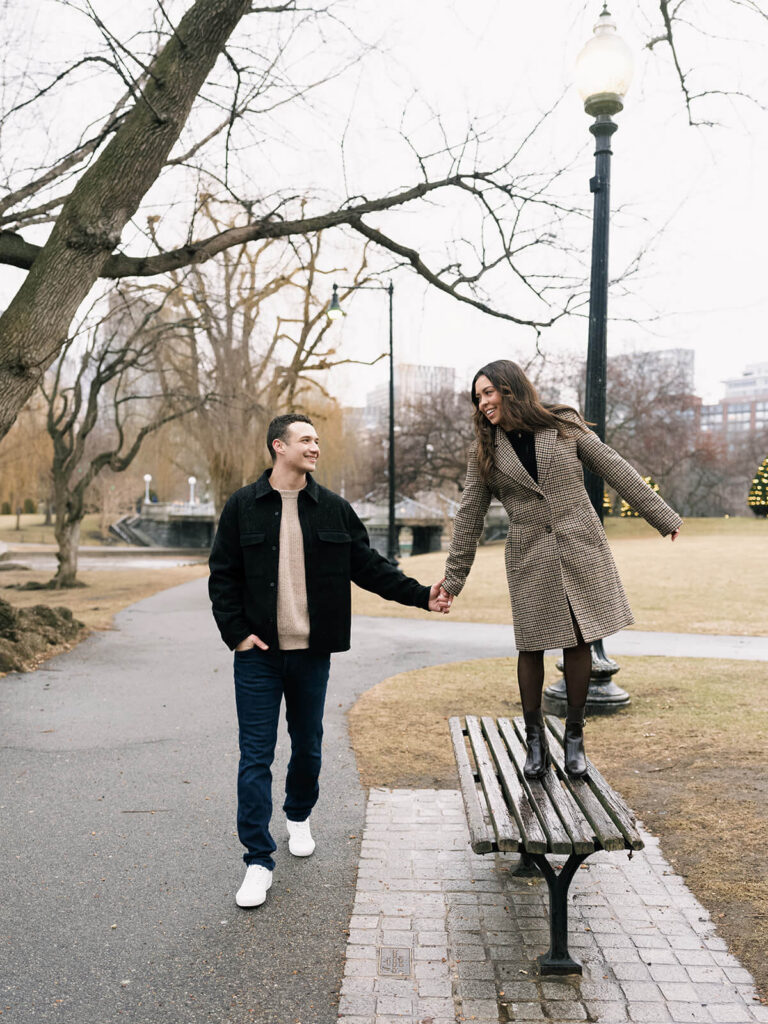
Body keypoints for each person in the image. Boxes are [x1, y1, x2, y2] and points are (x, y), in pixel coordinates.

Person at [208, 413, 448, 908]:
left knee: (308, 745)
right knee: (255, 755)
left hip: (312, 655)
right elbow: (222, 575)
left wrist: (423, 596)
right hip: (259, 656)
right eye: (306, 440)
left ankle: (299, 814)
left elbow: (370, 567)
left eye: (317, 440)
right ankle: (257, 860)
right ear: (279, 446)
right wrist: (236, 635)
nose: (315, 447)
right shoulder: (242, 507)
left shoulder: (334, 509)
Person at [438, 360, 682, 779]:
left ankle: (574, 737)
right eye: (477, 398)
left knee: (580, 638)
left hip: (580, 544)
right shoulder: (487, 450)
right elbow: (469, 516)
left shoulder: (562, 424)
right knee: (531, 645)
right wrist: (453, 579)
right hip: (529, 554)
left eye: (488, 393)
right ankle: (535, 740)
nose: (483, 404)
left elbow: (613, 466)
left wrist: (661, 516)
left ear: (509, 389)